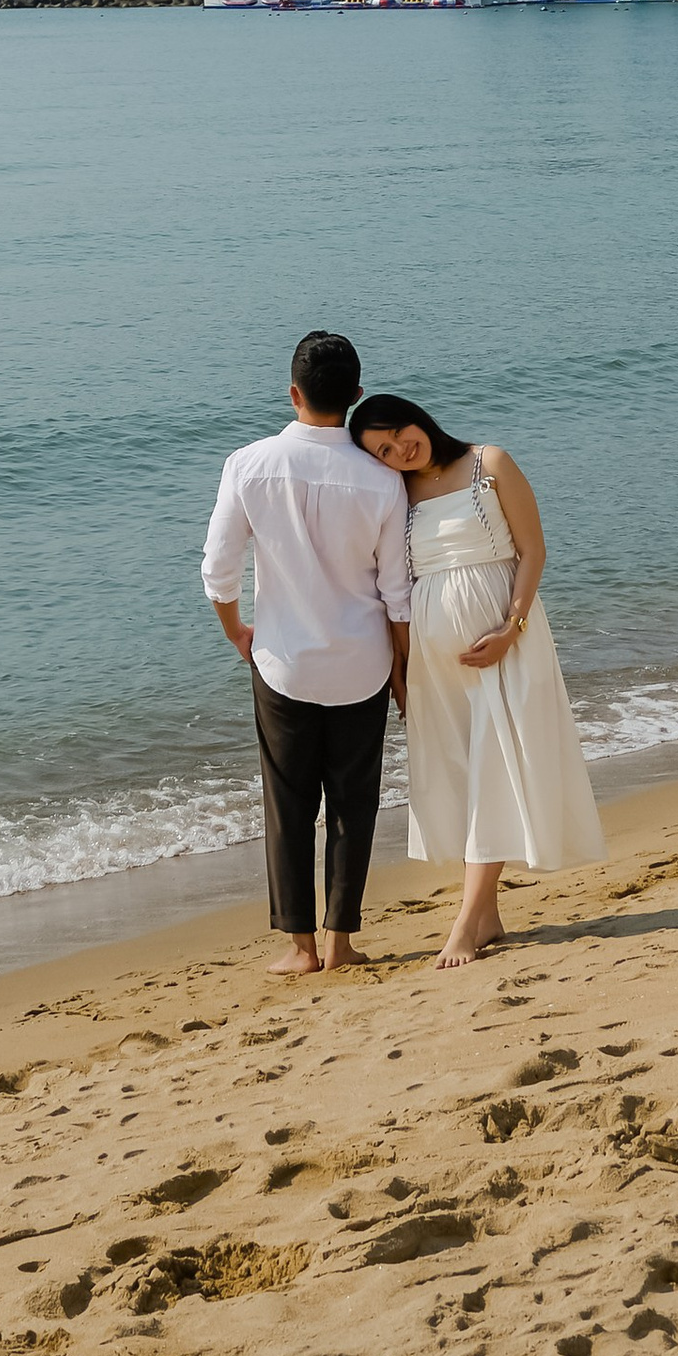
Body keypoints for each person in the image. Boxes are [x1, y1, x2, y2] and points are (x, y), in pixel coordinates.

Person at [349, 394, 604, 967]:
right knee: (466, 776)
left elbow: (533, 550)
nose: (399, 449)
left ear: (418, 416)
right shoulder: (399, 493)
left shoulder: (490, 464)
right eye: (383, 451)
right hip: (434, 664)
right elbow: (391, 583)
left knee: (497, 767)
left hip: (505, 643)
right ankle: (486, 913)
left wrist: (512, 628)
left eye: (398, 432)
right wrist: (401, 664)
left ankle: (466, 922)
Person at [202, 329, 412, 978]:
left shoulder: (249, 463)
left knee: (288, 804)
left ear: (292, 392)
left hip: (284, 663)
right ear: (353, 395)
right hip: (362, 664)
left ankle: (301, 947)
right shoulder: (381, 479)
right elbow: (397, 594)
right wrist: (402, 675)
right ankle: (343, 941)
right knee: (355, 803)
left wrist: (237, 631)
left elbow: (218, 568)